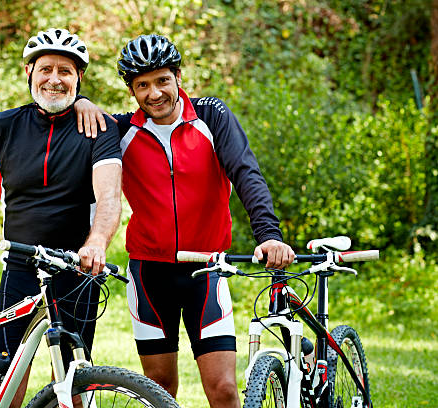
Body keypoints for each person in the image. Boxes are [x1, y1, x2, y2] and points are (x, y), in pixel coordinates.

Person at [74, 34, 295, 408]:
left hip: (205, 270)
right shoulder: (121, 129)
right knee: (158, 386)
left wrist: (269, 235)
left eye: (162, 80)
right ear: (131, 90)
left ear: (178, 77)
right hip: (148, 273)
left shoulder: (211, 116)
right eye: (142, 85)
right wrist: (81, 99)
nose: (154, 92)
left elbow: (246, 173)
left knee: (223, 388)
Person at [0, 28, 122, 408]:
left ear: (78, 78)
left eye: (65, 71)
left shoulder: (100, 127)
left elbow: (108, 195)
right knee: (6, 371)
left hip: (78, 268)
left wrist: (97, 242)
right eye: (46, 69)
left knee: (74, 374)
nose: (55, 79)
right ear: (28, 73)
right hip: (20, 267)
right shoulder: (3, 126)